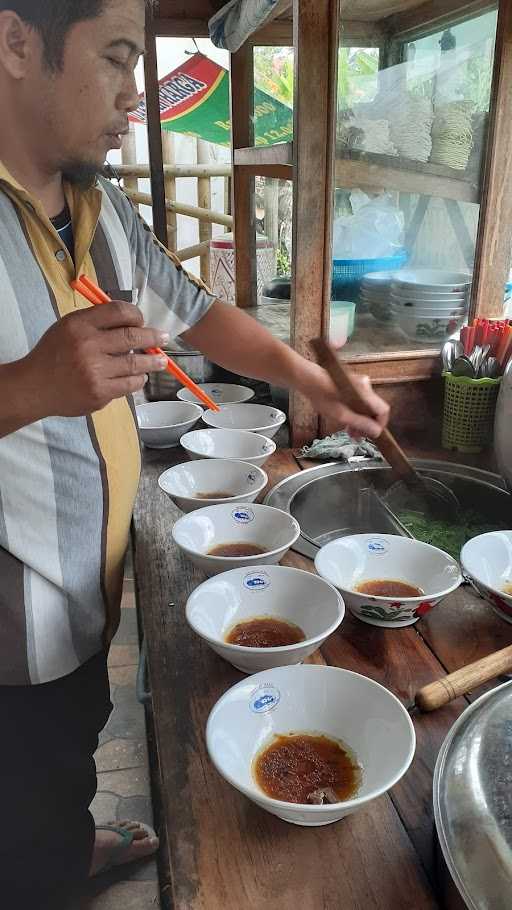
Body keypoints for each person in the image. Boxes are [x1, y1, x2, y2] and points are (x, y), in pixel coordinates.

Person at [0, 0, 390, 906]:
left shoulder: (97, 206)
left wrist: (311, 379)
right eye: (117, 58)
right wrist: (27, 387)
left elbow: (198, 311)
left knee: (70, 746)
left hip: (84, 588)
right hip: (7, 634)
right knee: (21, 810)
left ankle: (67, 838)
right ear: (18, 43)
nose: (133, 93)